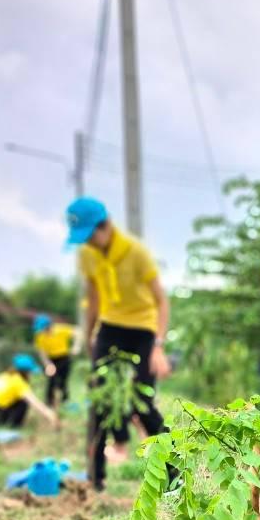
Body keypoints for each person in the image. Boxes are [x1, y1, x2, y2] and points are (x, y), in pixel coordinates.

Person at [66, 196, 172, 490]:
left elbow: (162, 301)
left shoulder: (136, 253)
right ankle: (95, 479)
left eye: (91, 236)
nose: (89, 243)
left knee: (143, 401)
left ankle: (173, 476)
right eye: (83, 238)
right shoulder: (87, 254)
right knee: (100, 400)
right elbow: (94, 298)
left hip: (142, 328)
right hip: (110, 328)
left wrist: (158, 345)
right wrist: (89, 337)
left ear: (106, 225)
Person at [0, 354, 60, 429]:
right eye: (29, 372)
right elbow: (34, 402)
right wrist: (50, 414)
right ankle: (15, 425)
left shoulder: (3, 376)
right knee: (23, 402)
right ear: (25, 372)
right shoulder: (18, 382)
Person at [31, 314, 75, 407]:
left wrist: (76, 347)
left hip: (64, 357)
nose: (41, 330)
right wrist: (47, 364)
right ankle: (49, 402)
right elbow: (42, 352)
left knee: (63, 381)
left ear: (48, 325)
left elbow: (78, 332)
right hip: (51, 359)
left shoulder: (61, 329)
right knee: (51, 380)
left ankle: (65, 402)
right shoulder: (39, 336)